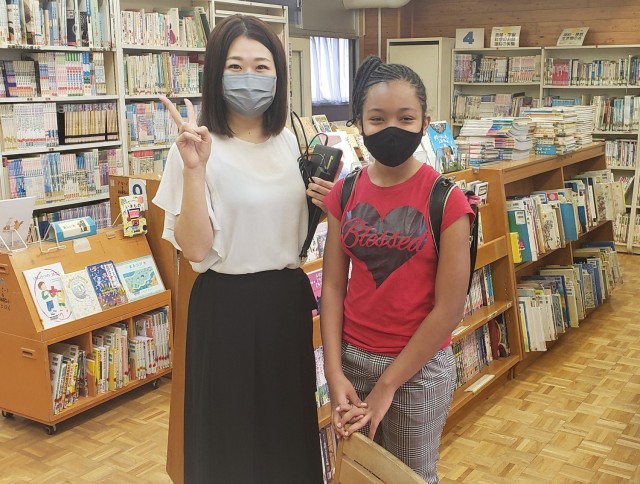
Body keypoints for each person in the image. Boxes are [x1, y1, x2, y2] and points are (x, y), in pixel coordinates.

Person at [152, 14, 332, 483]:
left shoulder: (288, 140)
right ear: (215, 72)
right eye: (235, 66)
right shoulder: (192, 146)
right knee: (228, 443)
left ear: (278, 74)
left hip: (287, 302)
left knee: (285, 435)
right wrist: (194, 169)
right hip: (225, 307)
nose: (249, 77)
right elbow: (194, 250)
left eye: (261, 66)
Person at [320, 56, 475, 482]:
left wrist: (388, 383)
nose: (392, 128)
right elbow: (332, 287)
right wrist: (334, 374)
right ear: (360, 124)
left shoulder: (447, 201)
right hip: (351, 363)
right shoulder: (345, 192)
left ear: (425, 122)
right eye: (377, 118)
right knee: (356, 472)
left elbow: (449, 309)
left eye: (406, 118)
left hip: (418, 370)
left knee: (409, 476)